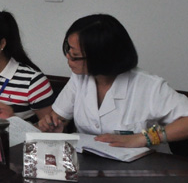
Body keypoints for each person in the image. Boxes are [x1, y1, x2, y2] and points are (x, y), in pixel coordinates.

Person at [38, 14, 188, 149]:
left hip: (138, 166)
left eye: (75, 55)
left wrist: (142, 138)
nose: (68, 57)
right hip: (88, 162)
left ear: (101, 57)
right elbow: (59, 117)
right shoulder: (79, 78)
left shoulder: (150, 86)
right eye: (68, 49)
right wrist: (54, 125)